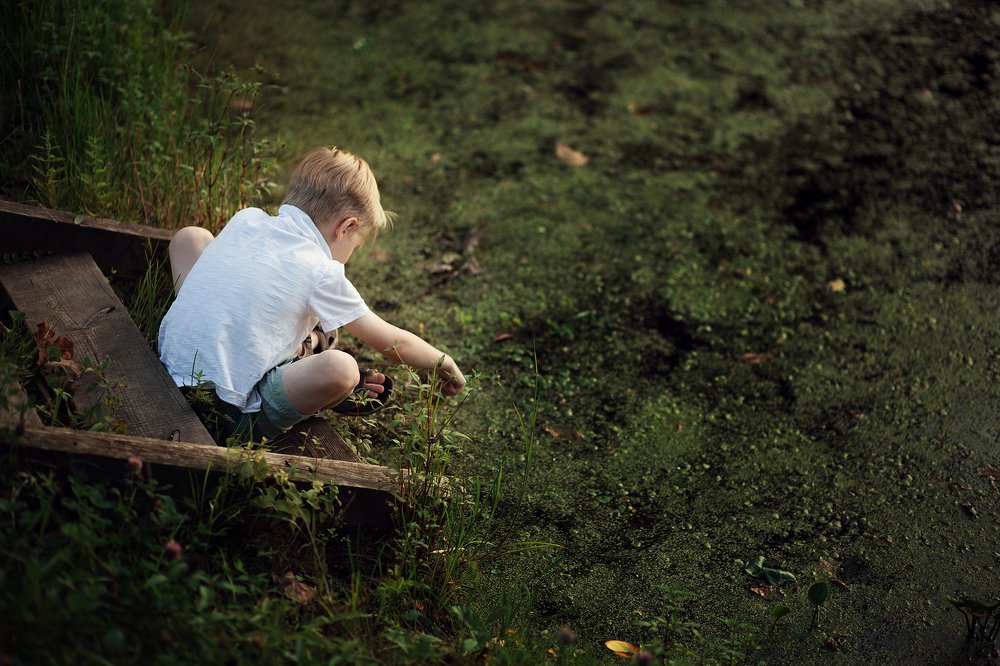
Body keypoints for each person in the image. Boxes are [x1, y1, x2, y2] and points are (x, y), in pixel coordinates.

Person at [158, 146, 466, 442]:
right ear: (347, 227)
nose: (349, 256)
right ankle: (318, 382)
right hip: (221, 413)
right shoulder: (321, 271)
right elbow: (392, 342)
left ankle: (307, 347)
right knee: (342, 368)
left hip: (165, 369)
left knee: (192, 237)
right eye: (355, 246)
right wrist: (443, 362)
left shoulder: (247, 218)